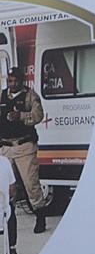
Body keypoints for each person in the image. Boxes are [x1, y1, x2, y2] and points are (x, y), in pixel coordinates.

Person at [0, 67, 47, 234]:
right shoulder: (2, 96)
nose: (10, 84)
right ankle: (6, 219)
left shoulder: (29, 96)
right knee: (5, 187)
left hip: (24, 147)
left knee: (31, 185)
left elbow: (38, 115)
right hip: (5, 149)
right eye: (9, 81)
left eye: (13, 81)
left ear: (20, 81)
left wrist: (20, 116)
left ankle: (40, 216)